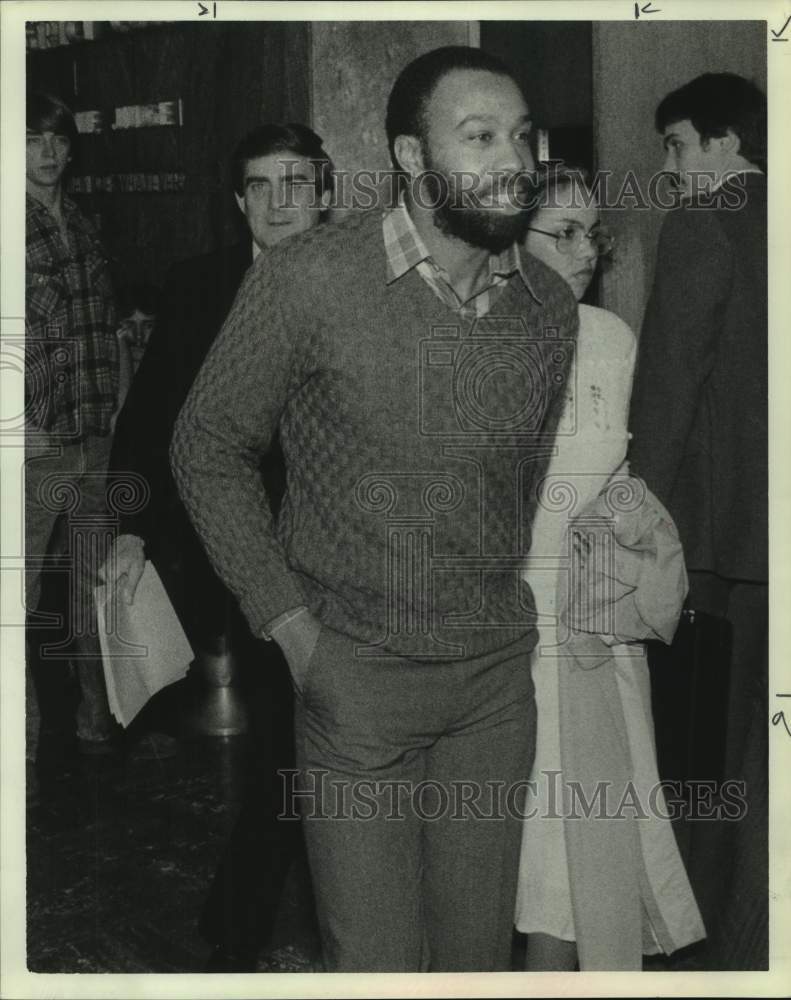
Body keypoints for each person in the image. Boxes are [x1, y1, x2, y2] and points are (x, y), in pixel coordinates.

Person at [170, 45, 579, 972]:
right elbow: (205, 447)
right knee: (380, 965)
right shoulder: (307, 278)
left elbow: (506, 496)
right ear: (408, 156)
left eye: (520, 135)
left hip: (491, 694)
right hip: (353, 681)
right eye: (477, 137)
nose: (511, 157)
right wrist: (292, 628)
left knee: (474, 959)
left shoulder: (547, 307)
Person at [101, 123, 334, 969]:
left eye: (296, 184)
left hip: (335, 551)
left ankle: (244, 926)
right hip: (235, 553)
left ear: (326, 193)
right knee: (294, 733)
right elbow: (152, 415)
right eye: (261, 187)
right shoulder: (200, 287)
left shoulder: (366, 288)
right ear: (238, 203)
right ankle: (261, 924)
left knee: (297, 736)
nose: (280, 203)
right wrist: (128, 528)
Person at [513, 166, 705, 970]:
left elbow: (631, 476)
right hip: (519, 617)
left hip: (601, 612)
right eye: (562, 233)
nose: (584, 250)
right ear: (509, 243)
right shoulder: (488, 339)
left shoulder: (612, 339)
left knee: (600, 814)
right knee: (543, 826)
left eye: (592, 233)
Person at [627, 73, 767, 968]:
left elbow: (668, 390)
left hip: (720, 542)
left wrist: (638, 514)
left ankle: (713, 942)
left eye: (676, 146)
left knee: (708, 756)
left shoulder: (702, 224)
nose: (669, 169)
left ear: (722, 144)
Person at [25, 92, 121, 772]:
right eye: (34, 140)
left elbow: (106, 323)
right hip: (34, 444)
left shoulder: (83, 223)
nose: (51, 153)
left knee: (96, 589)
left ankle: (99, 722)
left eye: (58, 139)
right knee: (17, 599)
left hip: (93, 434)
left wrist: (114, 404)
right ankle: (19, 748)